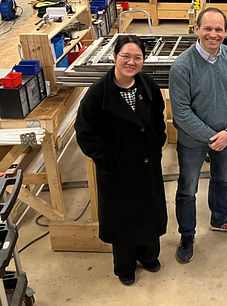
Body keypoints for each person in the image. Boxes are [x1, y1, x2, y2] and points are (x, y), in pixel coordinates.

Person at [75, 35, 167, 286]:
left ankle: (149, 256)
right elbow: (85, 133)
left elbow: (158, 119)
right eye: (125, 56)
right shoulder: (97, 95)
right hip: (117, 171)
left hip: (147, 164)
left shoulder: (147, 85)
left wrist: (157, 145)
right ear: (114, 57)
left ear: (143, 60)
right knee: (123, 218)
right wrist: (107, 160)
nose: (131, 62)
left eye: (137, 57)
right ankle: (125, 266)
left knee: (148, 213)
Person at [169, 7, 227, 264]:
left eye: (218, 29)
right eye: (208, 29)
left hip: (226, 137)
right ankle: (187, 234)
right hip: (193, 141)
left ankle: (219, 219)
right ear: (196, 30)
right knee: (188, 189)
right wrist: (212, 137)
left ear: (225, 31)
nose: (213, 35)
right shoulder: (182, 66)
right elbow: (180, 112)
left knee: (222, 179)